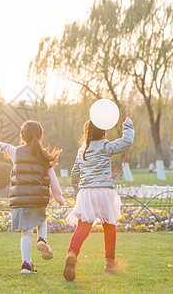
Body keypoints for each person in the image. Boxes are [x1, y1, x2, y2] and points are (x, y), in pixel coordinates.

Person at [0, 121, 66, 274]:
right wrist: (59, 197)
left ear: (22, 136)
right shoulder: (43, 154)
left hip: (21, 199)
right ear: (40, 136)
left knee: (26, 233)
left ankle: (26, 265)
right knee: (41, 218)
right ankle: (42, 239)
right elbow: (53, 178)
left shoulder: (15, 151)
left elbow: (1, 146)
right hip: (38, 198)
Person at [64, 117, 134, 281]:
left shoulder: (82, 150)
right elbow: (126, 142)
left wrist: (78, 192)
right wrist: (128, 125)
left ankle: (72, 253)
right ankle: (110, 261)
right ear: (104, 132)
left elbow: (75, 175)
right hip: (104, 191)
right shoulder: (106, 146)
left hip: (86, 191)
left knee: (83, 226)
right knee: (109, 224)